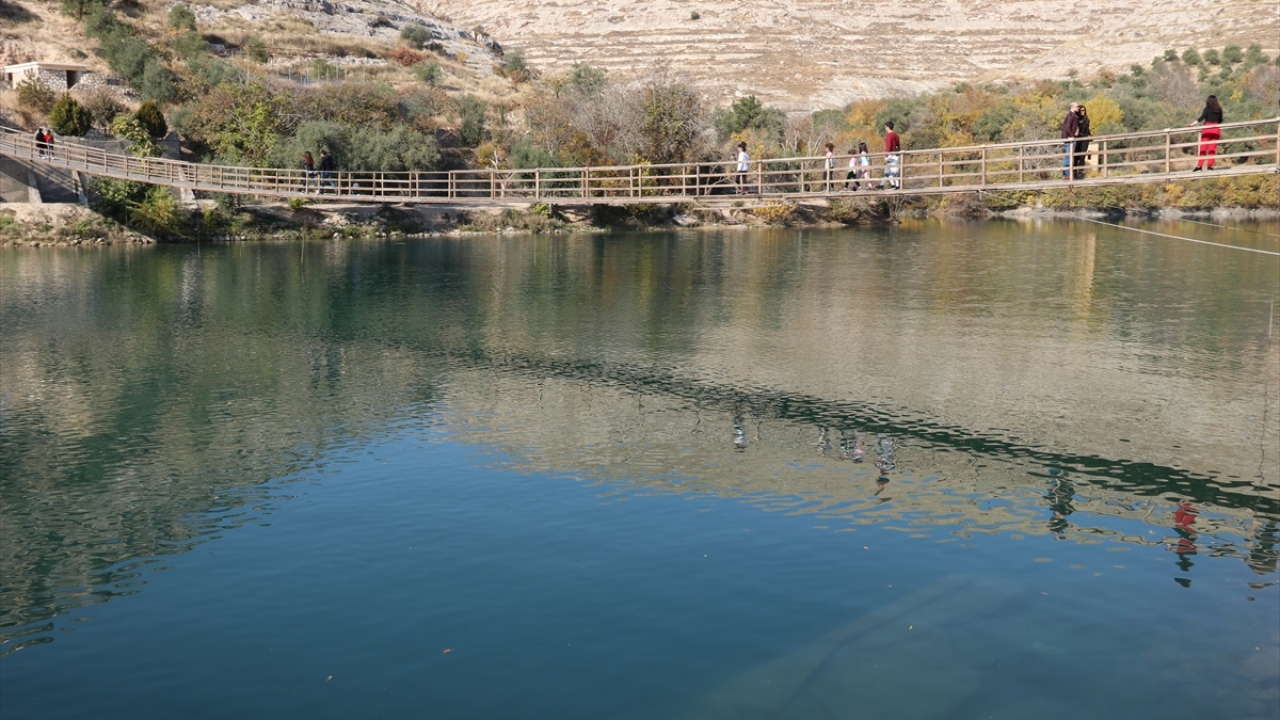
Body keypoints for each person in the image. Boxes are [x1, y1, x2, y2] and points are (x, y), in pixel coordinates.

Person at [1189, 95, 1223, 171]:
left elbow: (1201, 118)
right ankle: (1210, 166)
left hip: (1207, 128)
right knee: (1212, 148)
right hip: (1216, 129)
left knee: (1203, 148)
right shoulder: (1219, 109)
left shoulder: (1207, 109)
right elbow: (1220, 120)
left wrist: (1192, 124)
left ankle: (1199, 166)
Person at [1061, 102, 1080, 179]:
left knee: (1069, 156)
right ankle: (1066, 175)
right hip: (1069, 139)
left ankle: (1067, 174)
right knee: (1068, 157)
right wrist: (1072, 136)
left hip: (1070, 138)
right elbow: (1067, 127)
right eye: (1077, 107)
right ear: (1073, 107)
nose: (1078, 108)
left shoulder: (1073, 116)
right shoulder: (1070, 116)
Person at [1073, 105, 1091, 180]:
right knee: (1076, 156)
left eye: (1084, 110)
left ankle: (1080, 172)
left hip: (1085, 137)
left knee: (1082, 155)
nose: (1083, 112)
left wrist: (1090, 135)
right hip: (1078, 138)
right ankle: (1074, 172)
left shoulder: (1086, 119)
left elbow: (1087, 128)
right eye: (1082, 110)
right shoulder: (1076, 119)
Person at [882, 122, 901, 189]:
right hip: (896, 154)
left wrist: (886, 155)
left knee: (892, 172)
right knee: (895, 172)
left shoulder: (889, 135)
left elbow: (889, 146)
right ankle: (897, 186)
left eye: (885, 127)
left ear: (887, 127)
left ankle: (894, 186)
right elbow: (898, 145)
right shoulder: (896, 135)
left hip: (891, 155)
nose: (885, 128)